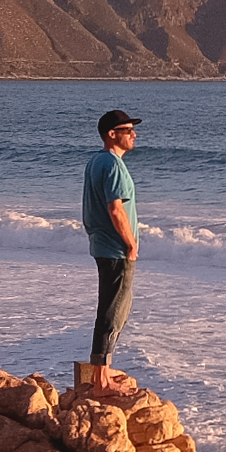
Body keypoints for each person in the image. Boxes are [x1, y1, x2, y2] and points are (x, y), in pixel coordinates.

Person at [79, 109, 140, 390]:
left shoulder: (96, 161)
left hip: (102, 245)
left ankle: (102, 372)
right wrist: (130, 243)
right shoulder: (113, 165)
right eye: (128, 130)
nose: (134, 135)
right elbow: (116, 210)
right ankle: (101, 379)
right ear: (112, 134)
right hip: (115, 248)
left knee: (109, 308)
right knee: (114, 310)